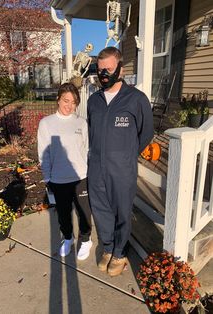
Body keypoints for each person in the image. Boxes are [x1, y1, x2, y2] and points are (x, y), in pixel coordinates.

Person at [87, 47, 153, 276]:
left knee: (122, 211)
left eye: (109, 68)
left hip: (122, 168)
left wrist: (126, 154)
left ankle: (120, 253)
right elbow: (91, 129)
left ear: (121, 69)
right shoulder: (93, 100)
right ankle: (107, 247)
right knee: (101, 209)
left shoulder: (136, 99)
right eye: (100, 68)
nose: (103, 73)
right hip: (96, 166)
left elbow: (146, 133)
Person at [37, 82, 92, 260]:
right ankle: (67, 238)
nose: (70, 106)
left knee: (84, 212)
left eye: (74, 102)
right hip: (58, 179)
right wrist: (47, 178)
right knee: (63, 213)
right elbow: (43, 153)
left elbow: (86, 149)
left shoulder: (81, 123)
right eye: (66, 101)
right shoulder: (46, 124)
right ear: (58, 99)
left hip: (80, 177)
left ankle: (86, 239)